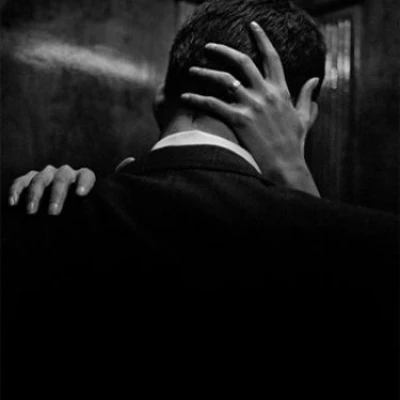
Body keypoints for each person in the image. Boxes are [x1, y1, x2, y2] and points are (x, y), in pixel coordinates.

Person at [3, 0, 398, 398]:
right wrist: (294, 171)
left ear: (163, 95)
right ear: (302, 111)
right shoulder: (376, 247)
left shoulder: (39, 213)